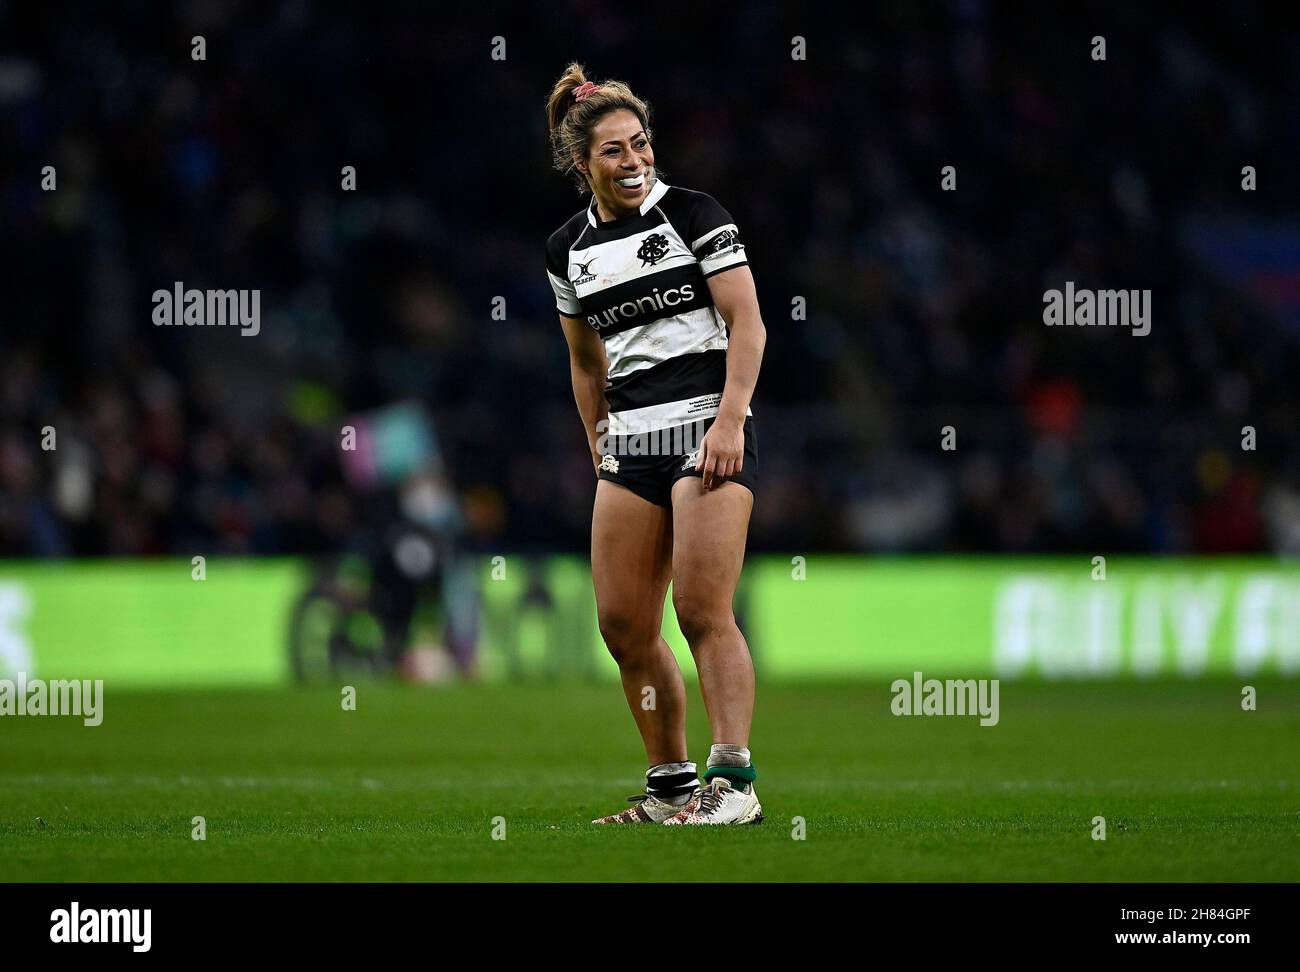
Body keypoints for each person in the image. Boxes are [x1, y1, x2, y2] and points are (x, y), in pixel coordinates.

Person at [544, 63, 767, 825]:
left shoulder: (696, 214)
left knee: (702, 608)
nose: (634, 161)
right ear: (584, 164)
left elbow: (748, 321)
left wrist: (732, 419)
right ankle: (671, 789)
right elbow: (584, 359)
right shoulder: (567, 250)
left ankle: (734, 786)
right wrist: (595, 439)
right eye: (614, 151)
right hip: (630, 442)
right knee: (623, 627)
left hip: (706, 426)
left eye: (640, 144)